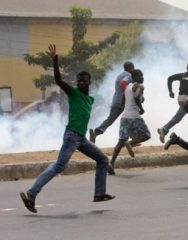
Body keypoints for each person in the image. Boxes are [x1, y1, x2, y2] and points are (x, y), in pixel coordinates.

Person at [20, 45, 114, 213]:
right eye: (79, 81)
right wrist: (55, 60)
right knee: (58, 166)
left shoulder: (90, 99)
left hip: (81, 139)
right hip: (71, 136)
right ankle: (31, 194)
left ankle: (99, 194)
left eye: (85, 81)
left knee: (103, 160)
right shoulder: (74, 92)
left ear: (89, 82)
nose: (82, 83)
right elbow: (58, 81)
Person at [108, 69, 151, 175]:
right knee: (146, 135)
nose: (142, 77)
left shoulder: (128, 87)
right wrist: (141, 109)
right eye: (141, 76)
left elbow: (123, 98)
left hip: (124, 117)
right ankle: (130, 144)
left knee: (120, 141)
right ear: (135, 78)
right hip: (135, 117)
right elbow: (136, 97)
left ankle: (111, 163)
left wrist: (125, 106)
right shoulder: (140, 86)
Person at [157, 59, 188, 143]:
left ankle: (164, 129)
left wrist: (170, 91)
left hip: (181, 99)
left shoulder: (182, 74)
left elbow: (170, 78)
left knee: (178, 117)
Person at [90, 61, 135, 143]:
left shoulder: (119, 76)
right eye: (133, 68)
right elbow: (123, 83)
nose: (134, 69)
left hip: (116, 101)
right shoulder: (129, 75)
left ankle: (96, 132)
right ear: (130, 68)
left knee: (111, 119)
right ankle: (130, 140)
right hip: (123, 103)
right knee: (132, 118)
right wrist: (127, 93)